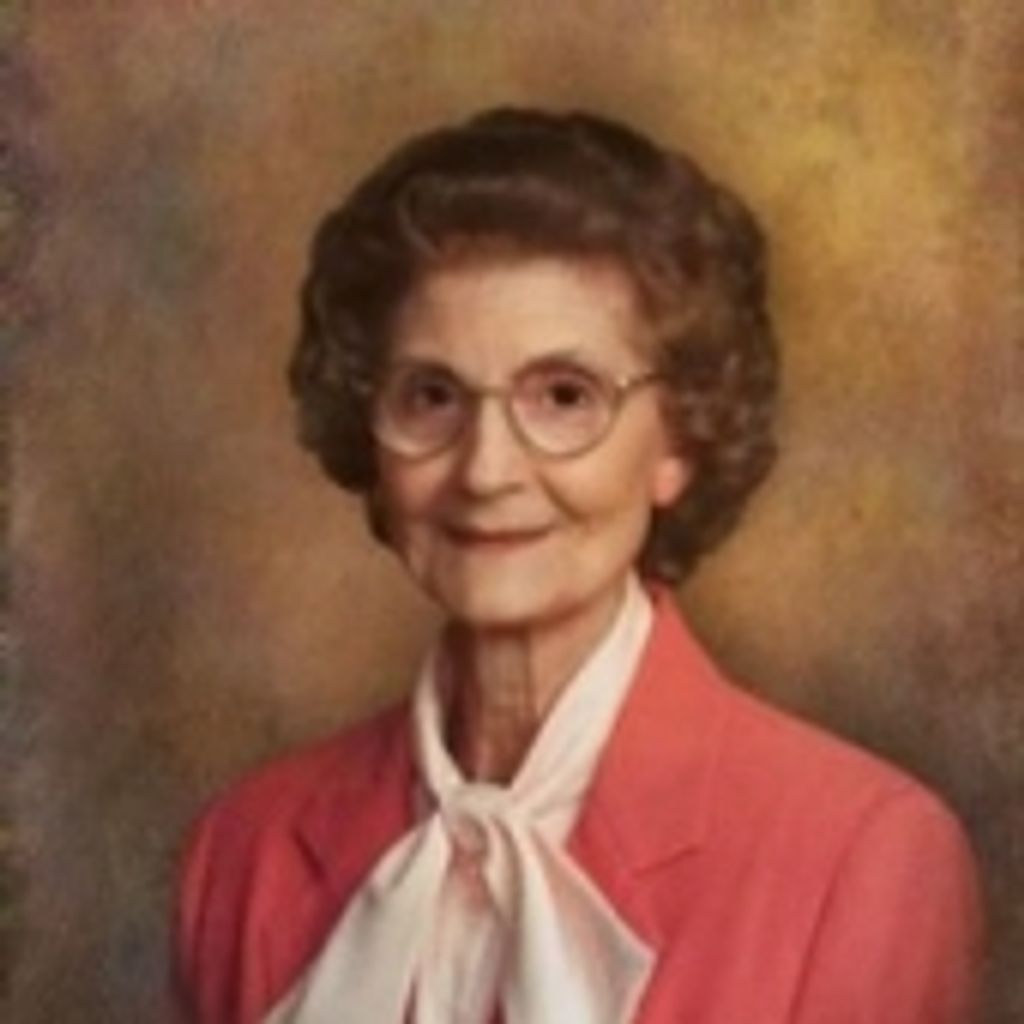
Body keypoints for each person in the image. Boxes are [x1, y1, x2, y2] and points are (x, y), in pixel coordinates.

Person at [173, 108, 984, 1024]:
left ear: (679, 439)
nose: (487, 471)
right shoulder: (241, 853)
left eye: (564, 396)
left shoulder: (861, 858)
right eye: (432, 395)